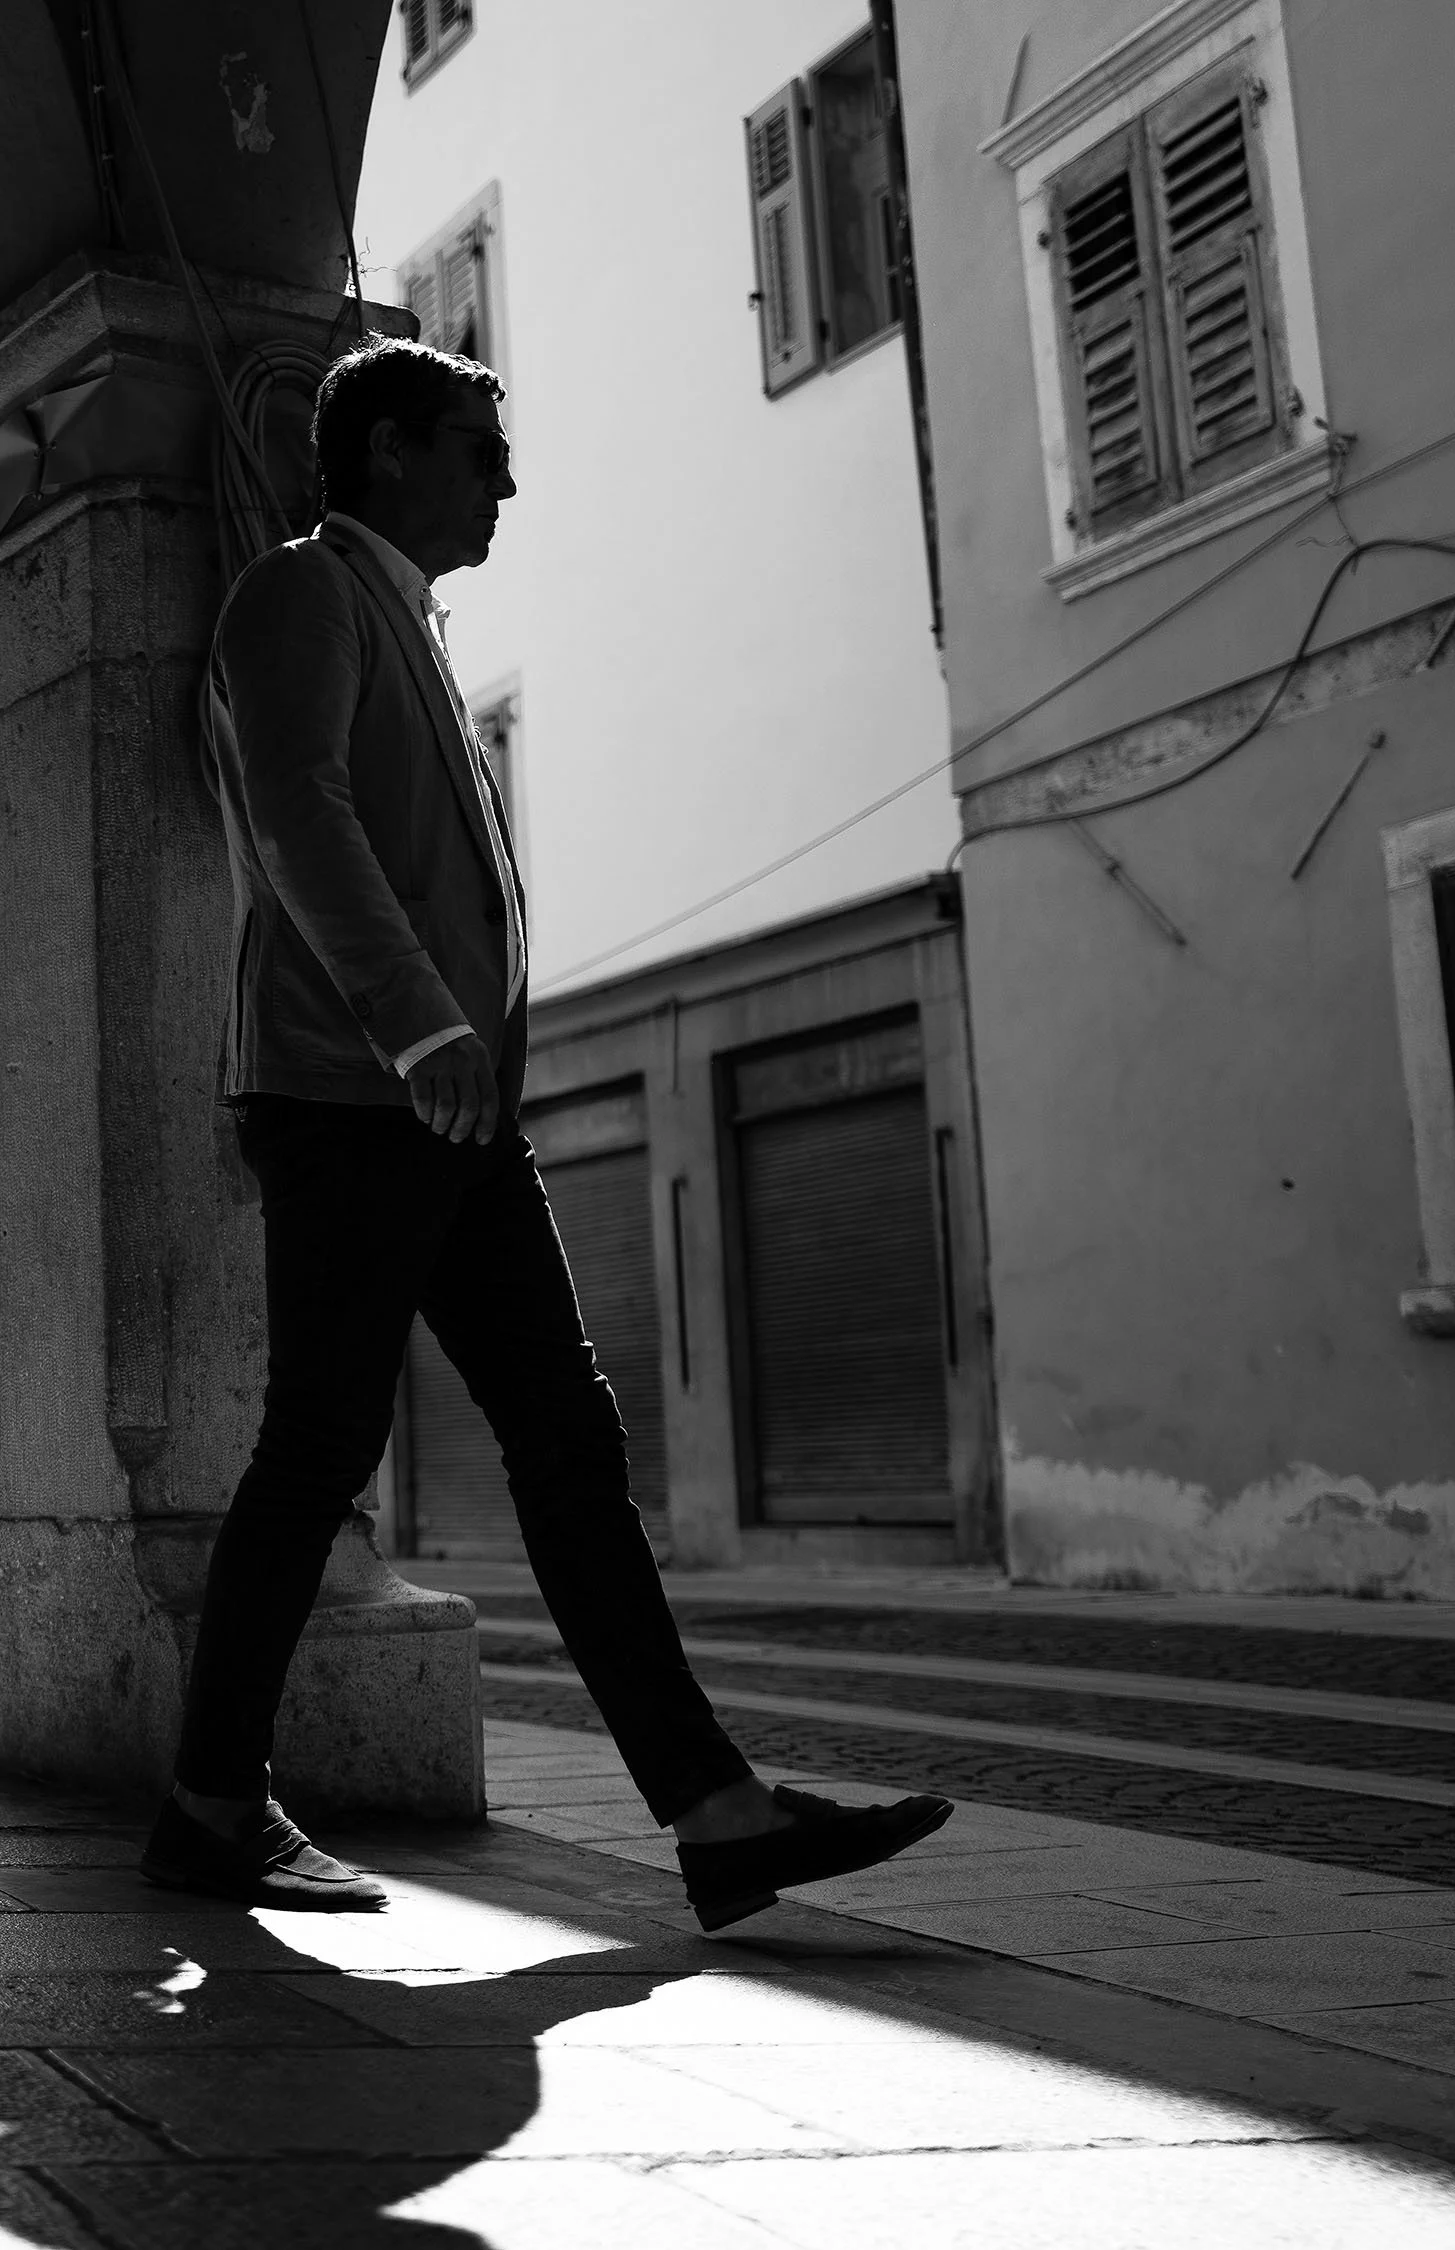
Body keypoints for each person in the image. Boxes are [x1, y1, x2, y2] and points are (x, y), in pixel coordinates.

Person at [139, 333, 952, 1930]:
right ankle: (212, 1802)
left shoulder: (410, 627)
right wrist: (420, 1020)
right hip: (356, 1089)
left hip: (450, 1112)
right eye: (477, 447)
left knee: (569, 1441)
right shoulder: (301, 592)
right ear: (387, 450)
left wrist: (462, 1054)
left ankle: (714, 1811)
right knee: (320, 1445)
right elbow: (301, 809)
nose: (504, 482)